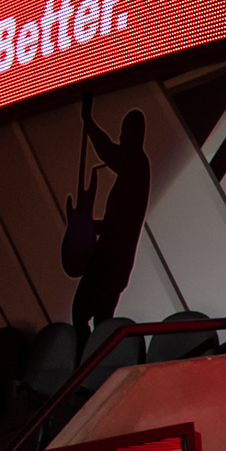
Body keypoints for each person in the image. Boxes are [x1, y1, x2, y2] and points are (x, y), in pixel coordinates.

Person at [71, 102, 149, 334]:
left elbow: (107, 150)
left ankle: (93, 352)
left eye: (125, 133)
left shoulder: (136, 163)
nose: (121, 138)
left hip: (111, 262)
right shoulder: (135, 167)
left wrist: (88, 121)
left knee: (87, 315)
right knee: (96, 317)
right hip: (112, 260)